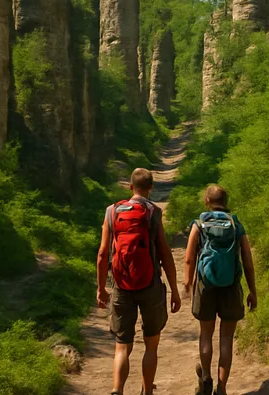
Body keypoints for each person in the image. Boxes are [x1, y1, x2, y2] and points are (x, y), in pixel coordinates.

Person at [97, 168, 182, 395]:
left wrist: (101, 288)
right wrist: (174, 289)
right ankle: (147, 390)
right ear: (151, 188)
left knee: (122, 346)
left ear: (130, 187)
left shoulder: (111, 212)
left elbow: (103, 254)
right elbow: (164, 252)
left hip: (121, 284)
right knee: (151, 344)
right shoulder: (153, 211)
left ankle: (117, 390)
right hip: (150, 284)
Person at [183, 185, 257, 395]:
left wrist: (187, 283)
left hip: (206, 286)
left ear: (207, 200)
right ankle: (222, 387)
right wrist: (252, 290)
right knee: (226, 338)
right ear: (226, 201)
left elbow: (189, 258)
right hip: (231, 286)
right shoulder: (236, 225)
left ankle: (206, 377)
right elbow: (248, 261)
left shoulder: (200, 224)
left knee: (206, 334)